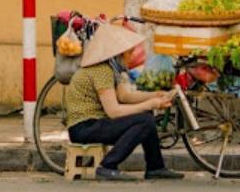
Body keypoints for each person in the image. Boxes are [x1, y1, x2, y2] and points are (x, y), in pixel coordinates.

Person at [65, 23, 184, 181]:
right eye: (129, 52)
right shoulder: (101, 70)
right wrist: (151, 104)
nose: (132, 56)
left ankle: (155, 167)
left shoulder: (111, 69)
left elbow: (124, 97)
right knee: (145, 120)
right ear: (118, 54)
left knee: (146, 116)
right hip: (84, 127)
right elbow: (113, 111)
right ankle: (107, 166)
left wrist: (155, 95)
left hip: (94, 123)